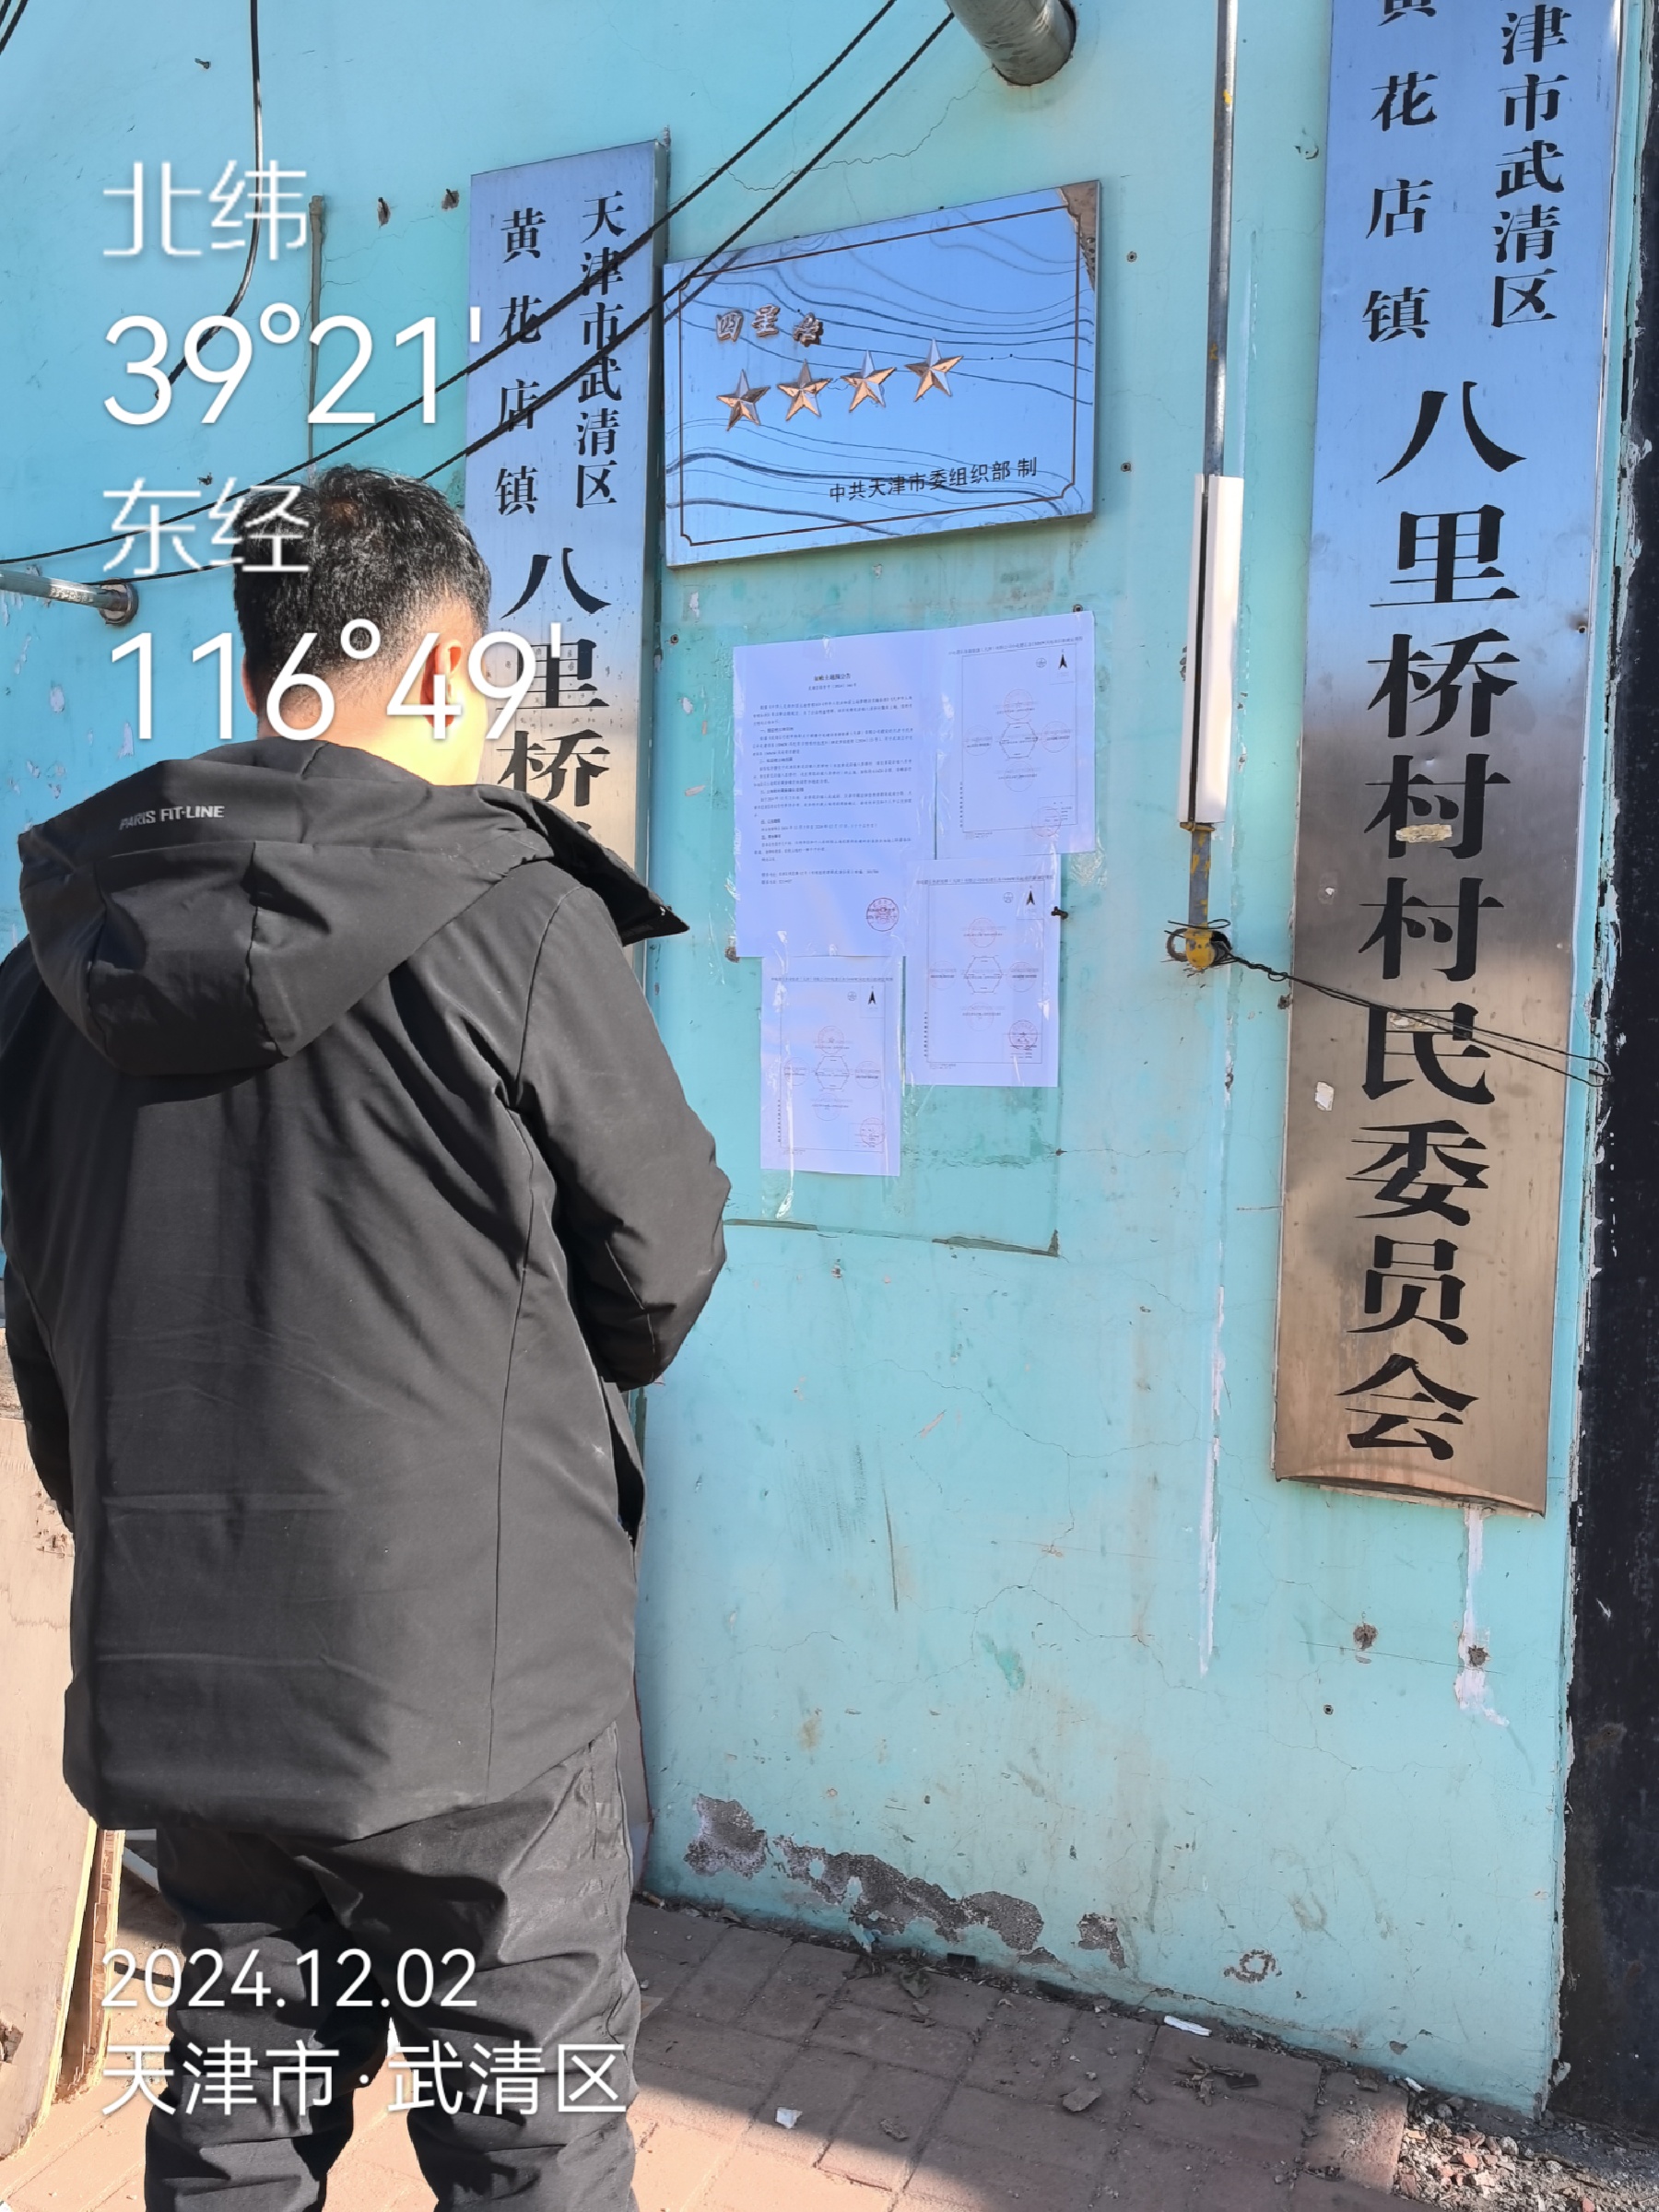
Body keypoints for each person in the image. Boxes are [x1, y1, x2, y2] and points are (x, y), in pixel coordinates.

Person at [0, 465, 729, 2211]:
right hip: (476, 1695)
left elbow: (46, 1323)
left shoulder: (55, 965)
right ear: (447, 664)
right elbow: (659, 1271)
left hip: (194, 1679)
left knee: (238, 2112)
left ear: (266, 666)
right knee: (526, 2130)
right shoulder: (517, 923)